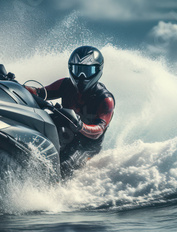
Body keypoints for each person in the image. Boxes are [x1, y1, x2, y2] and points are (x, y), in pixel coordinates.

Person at [25, 46, 115, 177]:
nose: (81, 76)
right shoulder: (65, 84)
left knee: (63, 166)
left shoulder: (105, 99)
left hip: (86, 146)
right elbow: (40, 93)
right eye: (77, 70)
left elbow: (99, 130)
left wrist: (80, 125)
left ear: (98, 70)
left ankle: (55, 192)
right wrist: (17, 85)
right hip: (63, 134)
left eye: (87, 71)